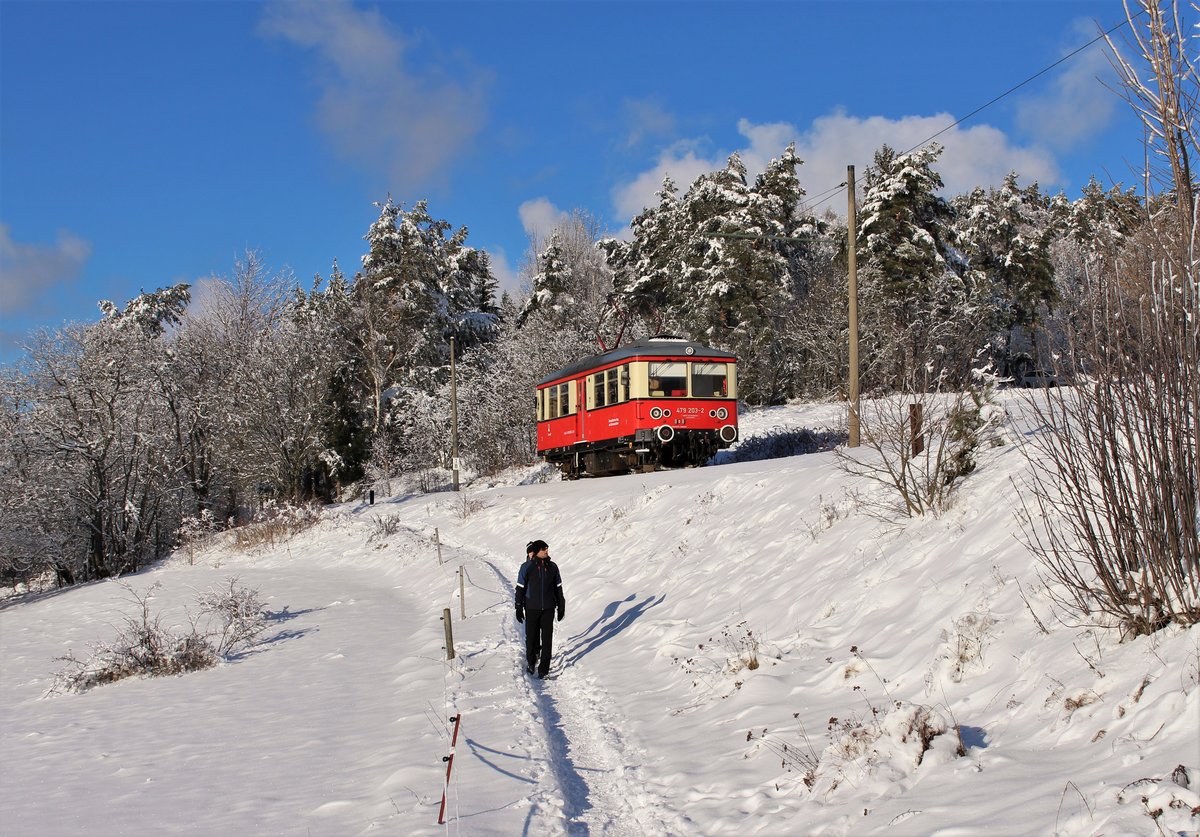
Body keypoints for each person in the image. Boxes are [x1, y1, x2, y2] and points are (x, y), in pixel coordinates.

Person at [514, 539, 565, 678]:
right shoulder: (527, 567)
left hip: (548, 608)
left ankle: (544, 669)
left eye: (547, 549)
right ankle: (531, 662)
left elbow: (558, 588)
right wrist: (518, 606)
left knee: (547, 639)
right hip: (531, 608)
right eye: (544, 549)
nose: (547, 551)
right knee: (531, 637)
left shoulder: (553, 567)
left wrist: (561, 606)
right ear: (536, 551)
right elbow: (520, 588)